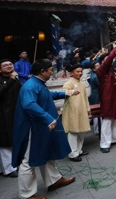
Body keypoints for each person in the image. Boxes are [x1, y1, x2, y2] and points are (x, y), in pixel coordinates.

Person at [12, 59, 77, 199]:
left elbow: (47, 95)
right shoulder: (30, 86)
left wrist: (66, 93)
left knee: (46, 153)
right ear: (42, 71)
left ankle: (54, 180)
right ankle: (27, 194)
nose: (51, 73)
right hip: (30, 128)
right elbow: (29, 104)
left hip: (40, 127)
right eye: (49, 70)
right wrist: (48, 118)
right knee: (28, 161)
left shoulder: (38, 83)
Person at [97, 41, 116, 153]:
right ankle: (104, 143)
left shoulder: (112, 71)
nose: (109, 61)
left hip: (115, 97)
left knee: (115, 119)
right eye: (106, 60)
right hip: (107, 98)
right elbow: (109, 59)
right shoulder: (102, 70)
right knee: (107, 119)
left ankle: (114, 138)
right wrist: (114, 48)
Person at [62, 63, 91, 162]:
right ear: (72, 73)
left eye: (81, 71)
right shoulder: (68, 83)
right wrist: (70, 92)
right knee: (73, 132)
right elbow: (64, 93)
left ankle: (79, 150)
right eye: (77, 71)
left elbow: (85, 97)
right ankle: (73, 153)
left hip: (82, 110)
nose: (79, 73)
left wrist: (88, 108)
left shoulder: (82, 84)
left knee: (81, 130)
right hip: (72, 111)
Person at [0, 59, 21, 178]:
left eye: (10, 64)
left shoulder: (15, 79)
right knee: (5, 142)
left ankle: (12, 165)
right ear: (0, 69)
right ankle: (9, 169)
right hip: (2, 115)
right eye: (5, 65)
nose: (8, 66)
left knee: (12, 139)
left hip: (14, 113)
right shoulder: (6, 80)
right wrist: (12, 80)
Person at [88, 61, 100, 134]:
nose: (99, 67)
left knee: (94, 113)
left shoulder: (92, 74)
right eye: (97, 66)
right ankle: (97, 129)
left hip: (94, 94)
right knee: (96, 113)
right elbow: (100, 85)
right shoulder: (95, 76)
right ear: (94, 68)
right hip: (96, 95)